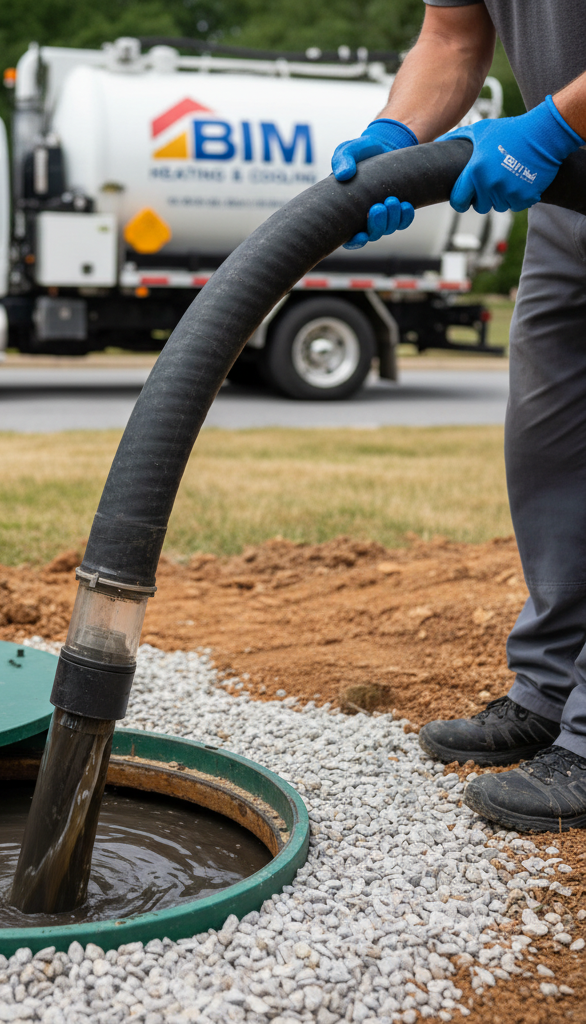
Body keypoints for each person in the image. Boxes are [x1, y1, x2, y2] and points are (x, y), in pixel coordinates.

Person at [331, 1, 586, 832]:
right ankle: (548, 692)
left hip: (567, 148)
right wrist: (392, 139)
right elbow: (451, 37)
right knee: (546, 445)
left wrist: (550, 123)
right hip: (572, 199)